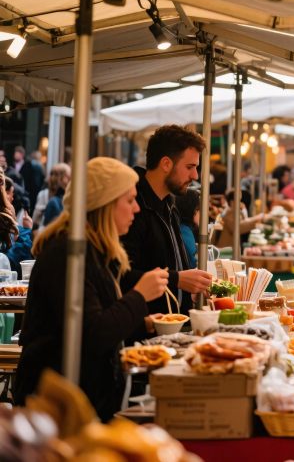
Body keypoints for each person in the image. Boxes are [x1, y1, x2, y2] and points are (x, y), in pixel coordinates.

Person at [14, 157, 169, 421]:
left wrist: (141, 323)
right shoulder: (68, 254)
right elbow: (92, 334)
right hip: (58, 408)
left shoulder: (93, 251)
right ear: (105, 204)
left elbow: (95, 317)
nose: (137, 209)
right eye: (130, 200)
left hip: (84, 399)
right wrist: (139, 296)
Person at [120, 125, 212, 315]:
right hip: (147, 326)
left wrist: (191, 288)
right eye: (190, 167)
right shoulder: (132, 208)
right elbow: (122, 274)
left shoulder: (170, 204)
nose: (195, 176)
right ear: (166, 164)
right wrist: (177, 279)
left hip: (176, 323)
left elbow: (176, 266)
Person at [0, 171, 32, 276]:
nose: (12, 198)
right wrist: (27, 231)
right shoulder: (5, 215)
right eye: (10, 193)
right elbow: (13, 258)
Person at [33, 163, 70, 229]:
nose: (53, 178)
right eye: (52, 174)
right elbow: (35, 219)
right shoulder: (43, 194)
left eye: (56, 175)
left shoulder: (67, 196)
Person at [175, 188, 201, 268]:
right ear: (194, 210)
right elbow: (194, 263)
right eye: (199, 209)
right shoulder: (185, 231)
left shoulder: (179, 227)